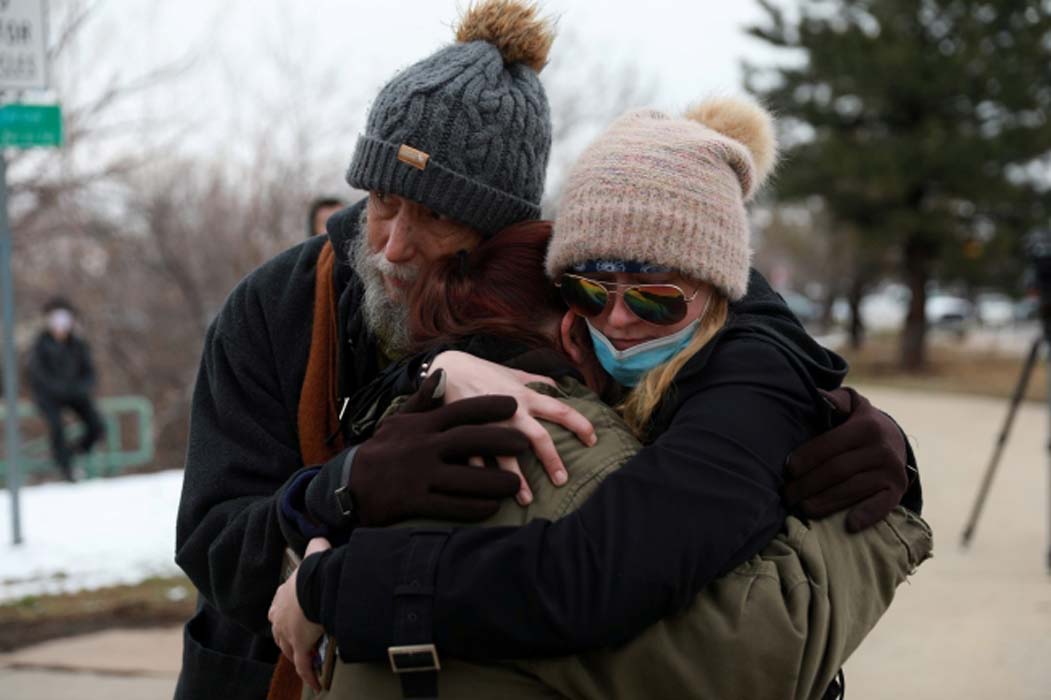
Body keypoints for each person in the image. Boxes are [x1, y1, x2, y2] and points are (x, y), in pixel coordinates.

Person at [174, 3, 916, 698]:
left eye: (433, 216)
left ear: (505, 234)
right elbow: (209, 541)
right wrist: (341, 489)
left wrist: (830, 409)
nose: (394, 244)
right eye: (382, 202)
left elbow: (707, 285)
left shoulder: (569, 289)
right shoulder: (274, 308)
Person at [270, 221, 930, 700]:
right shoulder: (562, 442)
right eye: (592, 295)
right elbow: (755, 650)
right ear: (567, 324)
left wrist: (324, 503)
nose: (618, 321)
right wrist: (889, 510)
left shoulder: (403, 424)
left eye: (652, 299)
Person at [26, 297, 105, 482]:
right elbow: (38, 375)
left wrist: (80, 388)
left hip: (75, 394)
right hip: (49, 397)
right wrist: (58, 389)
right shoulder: (40, 345)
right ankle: (66, 467)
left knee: (97, 425)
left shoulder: (78, 345)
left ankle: (73, 454)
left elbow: (90, 372)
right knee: (57, 426)